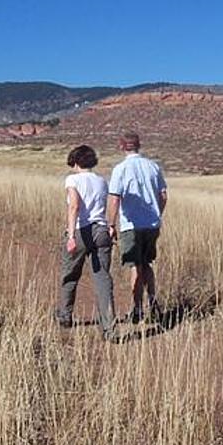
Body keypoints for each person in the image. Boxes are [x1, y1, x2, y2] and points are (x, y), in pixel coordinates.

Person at [56, 145, 117, 341]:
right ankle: (109, 328)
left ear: (76, 161)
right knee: (102, 279)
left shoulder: (72, 179)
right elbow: (108, 204)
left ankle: (65, 316)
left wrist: (71, 235)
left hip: (81, 230)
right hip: (101, 230)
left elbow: (74, 205)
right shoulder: (101, 181)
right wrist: (111, 225)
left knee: (70, 274)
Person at [106, 131, 168, 324]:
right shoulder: (153, 166)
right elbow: (164, 195)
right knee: (147, 263)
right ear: (139, 145)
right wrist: (157, 213)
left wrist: (111, 224)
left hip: (131, 224)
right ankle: (153, 301)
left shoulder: (121, 169)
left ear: (122, 146)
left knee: (135, 265)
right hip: (151, 223)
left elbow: (115, 197)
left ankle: (137, 309)